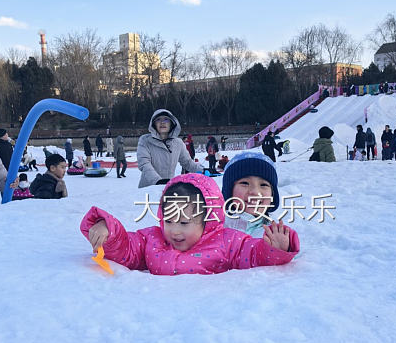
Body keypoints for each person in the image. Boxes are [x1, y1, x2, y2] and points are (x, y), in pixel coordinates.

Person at [81, 173, 299, 275]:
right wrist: (108, 230)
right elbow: (127, 248)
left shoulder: (227, 241)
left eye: (185, 222)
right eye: (169, 220)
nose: (175, 230)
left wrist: (274, 249)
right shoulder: (153, 239)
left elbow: (252, 254)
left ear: (208, 219)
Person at [136, 109, 202, 187]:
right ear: (154, 124)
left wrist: (203, 170)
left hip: (169, 188)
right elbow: (144, 164)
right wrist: (157, 180)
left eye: (166, 119)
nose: (162, 122)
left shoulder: (178, 143)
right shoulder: (145, 141)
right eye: (158, 120)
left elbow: (187, 162)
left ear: (172, 123)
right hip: (149, 188)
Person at [221, 152, 280, 236]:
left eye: (263, 185)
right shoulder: (213, 226)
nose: (255, 192)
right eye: (245, 183)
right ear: (229, 191)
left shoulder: (276, 233)